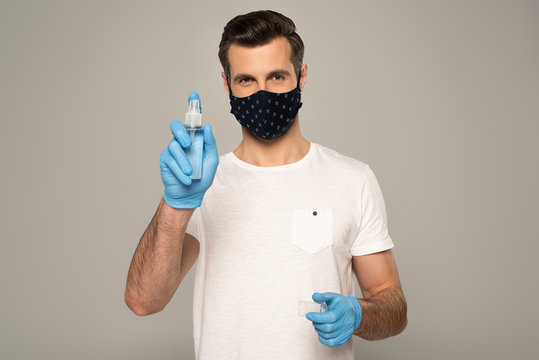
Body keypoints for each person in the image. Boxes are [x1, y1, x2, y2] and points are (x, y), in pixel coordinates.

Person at [125, 10, 407, 360]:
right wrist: (175, 205)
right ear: (227, 85)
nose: (262, 93)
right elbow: (143, 300)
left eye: (276, 77)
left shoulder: (353, 179)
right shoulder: (203, 183)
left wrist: (360, 314)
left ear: (301, 77)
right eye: (246, 80)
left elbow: (392, 303)